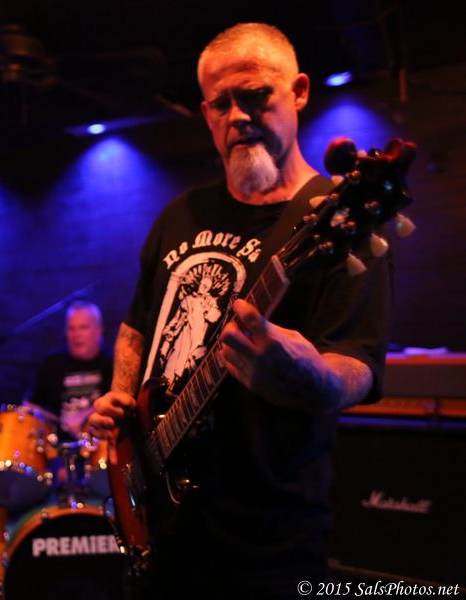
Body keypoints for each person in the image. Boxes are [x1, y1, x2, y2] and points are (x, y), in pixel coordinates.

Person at [88, 23, 391, 598]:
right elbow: (135, 327)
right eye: (220, 104)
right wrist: (122, 404)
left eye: (254, 97)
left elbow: (359, 365)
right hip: (162, 528)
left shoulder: (337, 219)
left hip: (267, 545)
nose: (237, 117)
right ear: (205, 113)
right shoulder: (180, 214)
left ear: (298, 92)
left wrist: (310, 375)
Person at [28, 301, 112, 440]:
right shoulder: (52, 363)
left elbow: (119, 400)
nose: (77, 334)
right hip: (59, 446)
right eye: (71, 328)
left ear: (99, 330)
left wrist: (83, 416)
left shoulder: (112, 362)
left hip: (101, 443)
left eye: (83, 327)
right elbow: (31, 405)